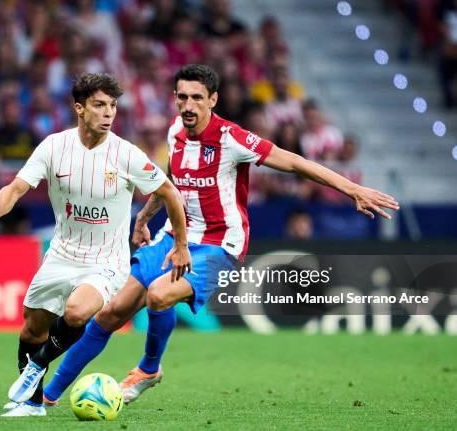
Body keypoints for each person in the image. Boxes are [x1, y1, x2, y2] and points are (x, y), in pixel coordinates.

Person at [37, 64, 400, 407]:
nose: (188, 105)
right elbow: (171, 180)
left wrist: (351, 188)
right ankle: (46, 396)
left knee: (159, 296)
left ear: (213, 99)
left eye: (197, 98)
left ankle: (149, 368)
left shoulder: (232, 139)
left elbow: (294, 162)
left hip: (219, 246)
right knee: (111, 312)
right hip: (172, 235)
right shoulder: (174, 132)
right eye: (182, 97)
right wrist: (146, 215)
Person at [0, 73, 191, 417]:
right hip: (61, 254)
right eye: (99, 105)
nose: (108, 113)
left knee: (76, 311)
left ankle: (37, 367)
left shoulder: (125, 154)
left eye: (113, 106)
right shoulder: (53, 147)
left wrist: (180, 244)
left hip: (107, 260)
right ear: (79, 107)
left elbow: (170, 193)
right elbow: (15, 188)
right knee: (32, 328)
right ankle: (32, 405)